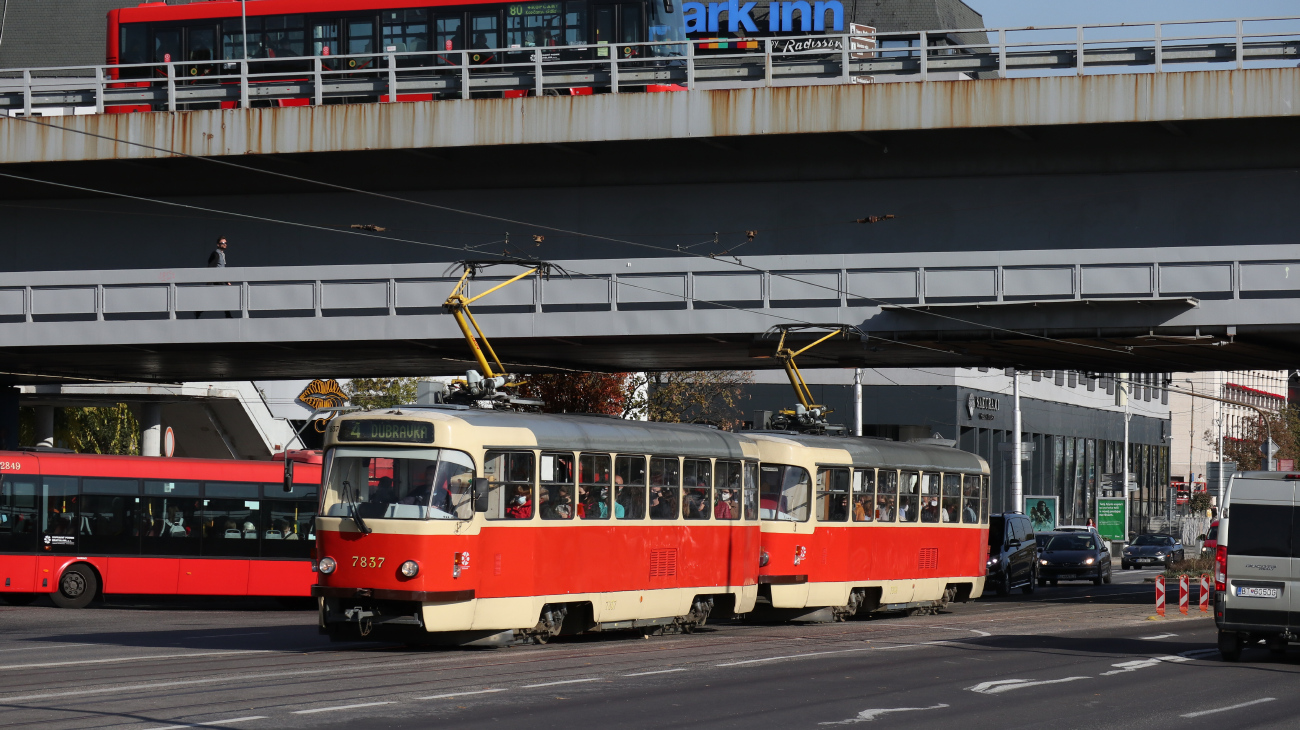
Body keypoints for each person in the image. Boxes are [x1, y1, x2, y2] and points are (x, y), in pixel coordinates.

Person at [197, 237, 234, 318]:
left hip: (219, 279)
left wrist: (227, 280)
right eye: (222, 243)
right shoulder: (216, 254)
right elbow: (211, 267)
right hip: (217, 280)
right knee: (223, 296)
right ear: (218, 244)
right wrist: (210, 281)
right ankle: (228, 315)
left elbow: (221, 269)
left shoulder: (221, 254)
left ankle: (198, 311)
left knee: (215, 297)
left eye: (225, 243)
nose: (225, 244)